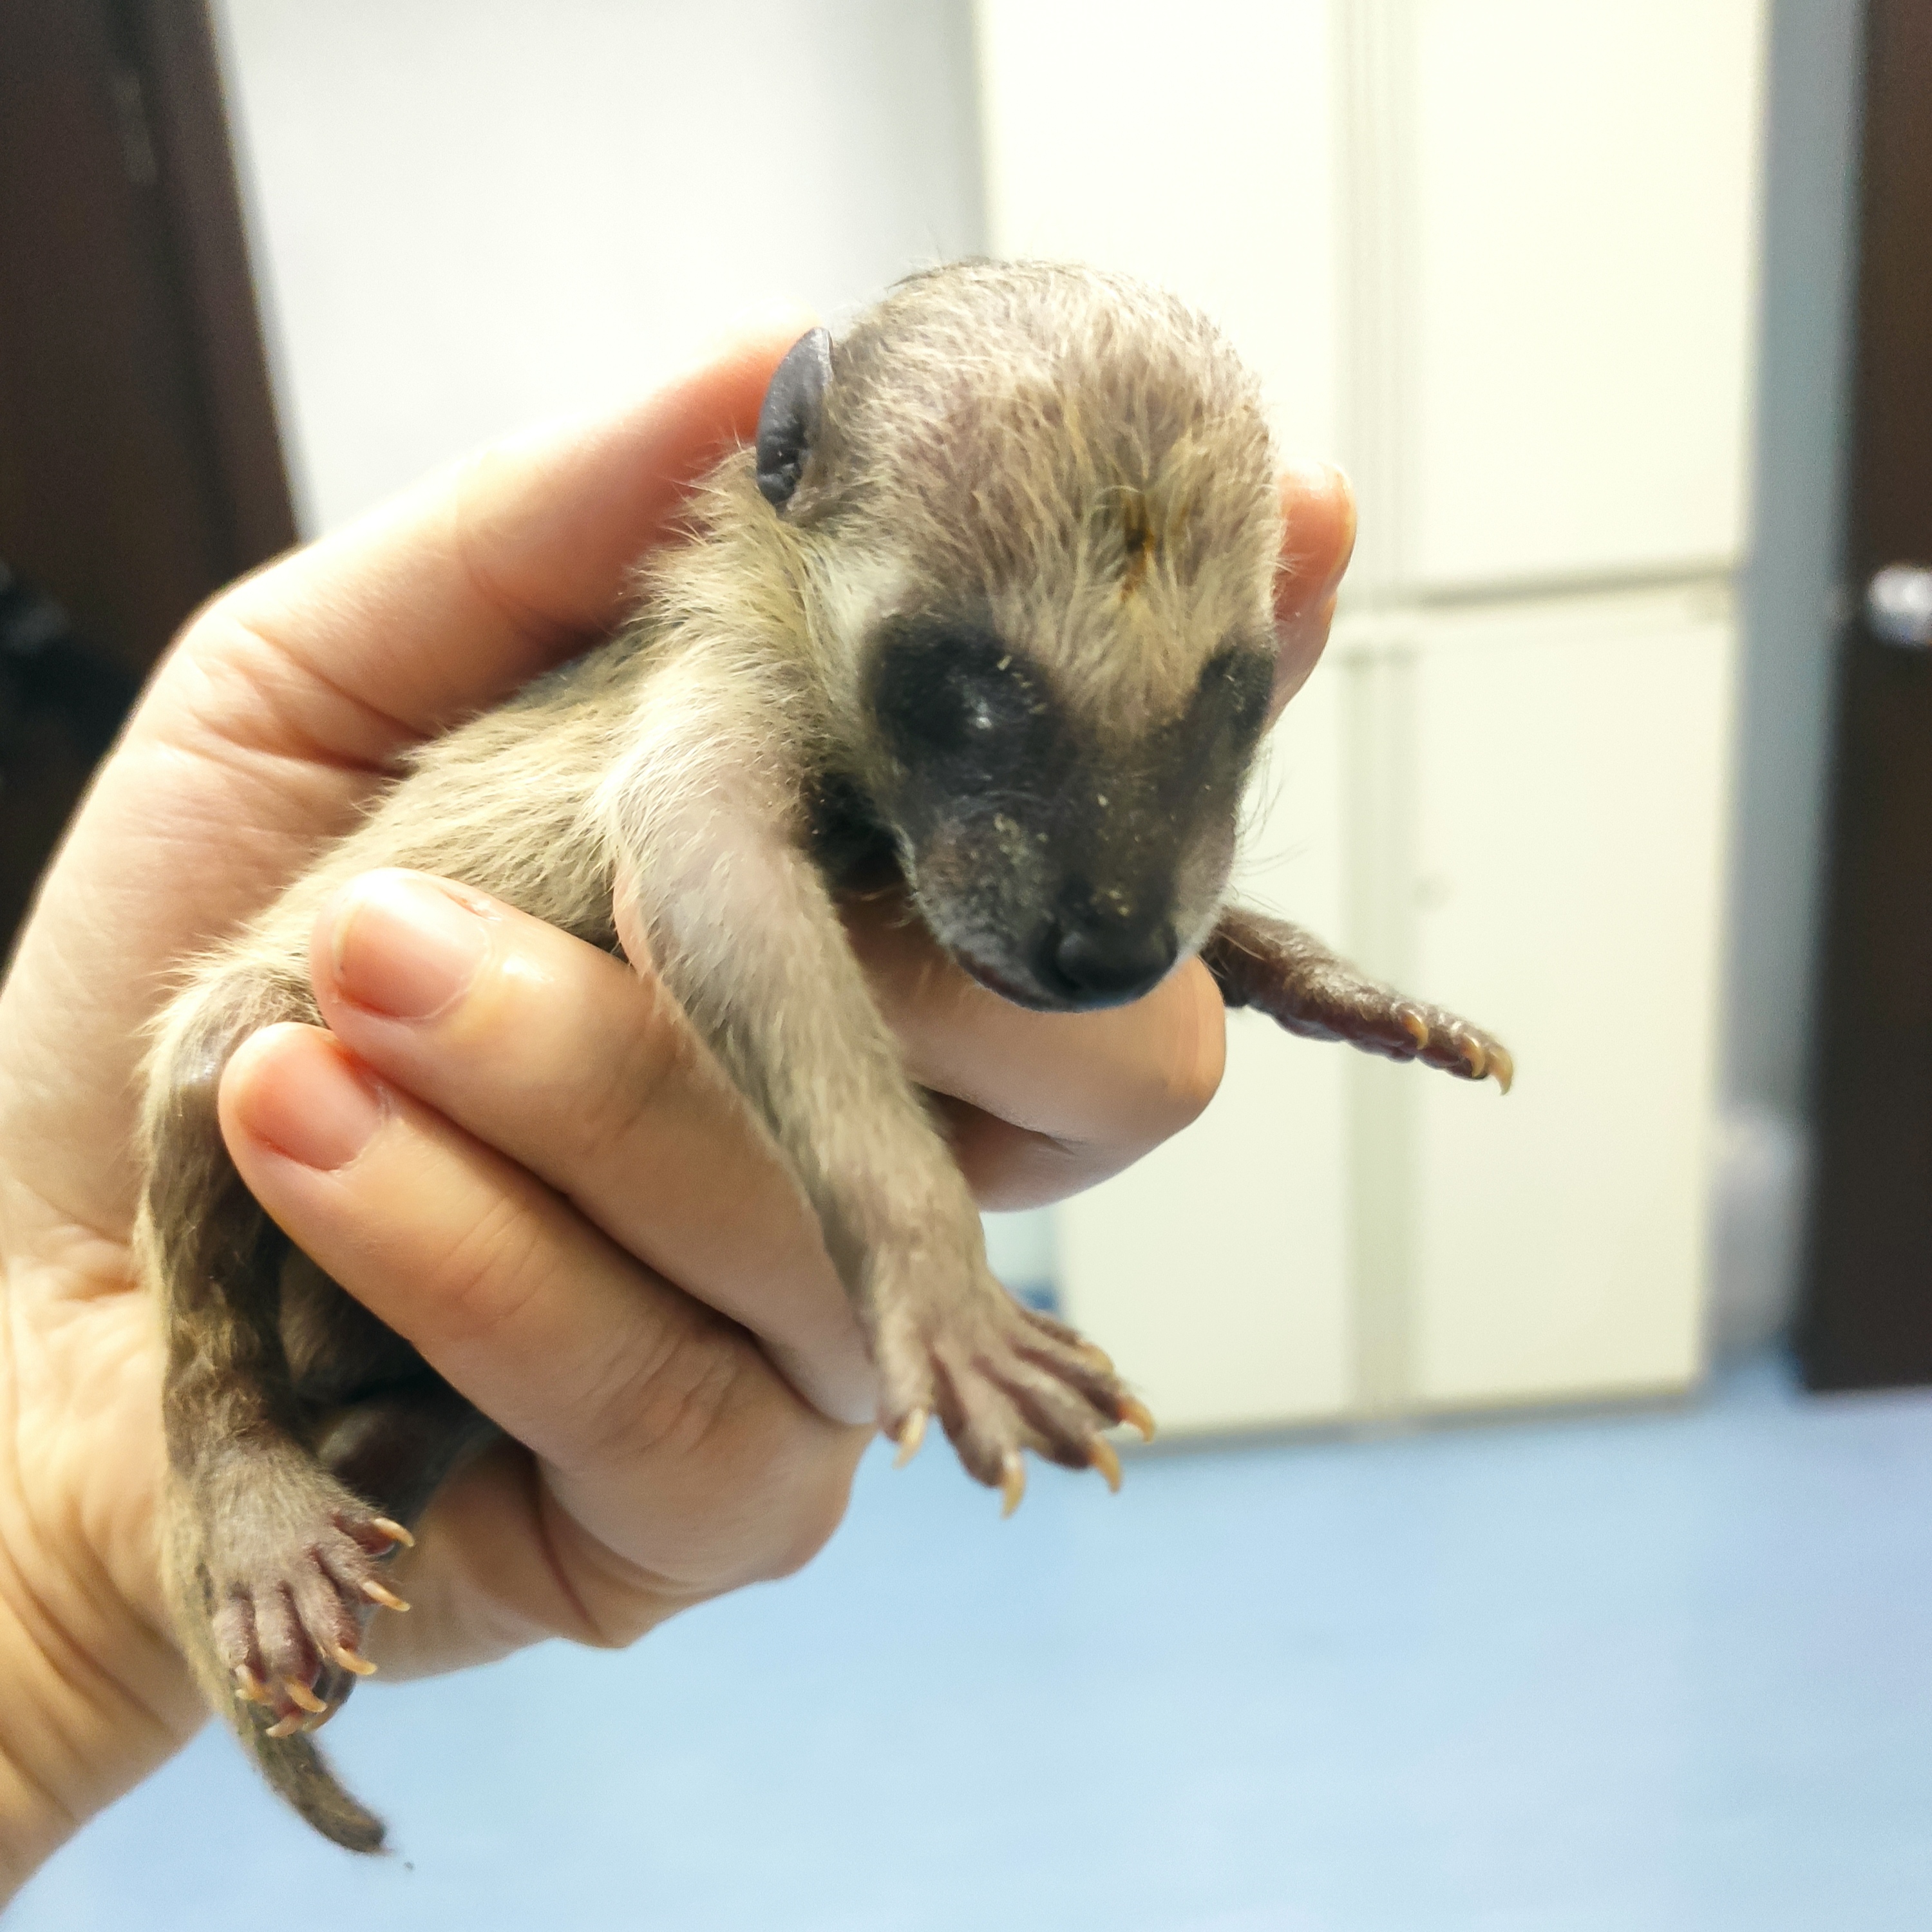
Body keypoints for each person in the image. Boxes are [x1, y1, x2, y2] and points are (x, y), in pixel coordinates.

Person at [0, 316, 1354, 1897]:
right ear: (799, 476)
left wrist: (60, 1618)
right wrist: (927, 1267)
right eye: (978, 697)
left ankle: (394, 1438)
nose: (1123, 903)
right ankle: (230, 1440)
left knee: (476, 1379)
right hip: (288, 1165)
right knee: (221, 1042)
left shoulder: (909, 644)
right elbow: (715, 883)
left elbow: (1038, 846)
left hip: (458, 1305)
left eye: (1215, 714)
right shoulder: (746, 658)